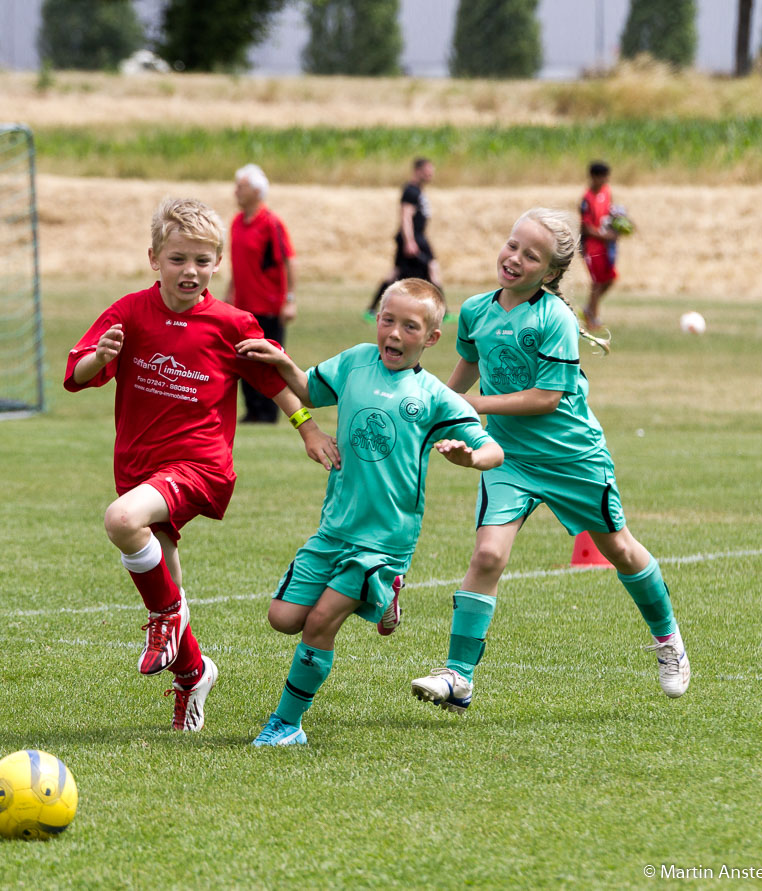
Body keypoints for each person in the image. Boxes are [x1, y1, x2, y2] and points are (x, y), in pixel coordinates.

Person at [64, 197, 337, 733]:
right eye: (178, 259)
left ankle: (165, 618)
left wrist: (307, 428)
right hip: (139, 465)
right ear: (154, 258)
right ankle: (193, 673)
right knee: (165, 575)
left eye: (202, 260)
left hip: (200, 466)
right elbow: (76, 375)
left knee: (122, 520)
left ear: (218, 263)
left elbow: (273, 383)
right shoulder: (128, 313)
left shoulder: (231, 323)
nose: (190, 270)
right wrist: (102, 356)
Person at [410, 208, 690, 715]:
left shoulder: (554, 318)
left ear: (551, 272)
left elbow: (546, 399)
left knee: (620, 549)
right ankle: (458, 676)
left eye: (531, 256)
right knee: (487, 557)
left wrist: (474, 406)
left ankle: (667, 637)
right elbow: (468, 366)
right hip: (510, 458)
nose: (514, 258)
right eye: (512, 245)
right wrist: (438, 412)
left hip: (572, 457)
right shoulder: (475, 310)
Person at [237, 278, 504, 746]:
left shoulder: (435, 396)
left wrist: (469, 457)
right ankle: (384, 599)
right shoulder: (356, 361)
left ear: (431, 338)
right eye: (387, 320)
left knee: (320, 622)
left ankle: (286, 724)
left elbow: (493, 450)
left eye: (410, 326)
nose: (394, 333)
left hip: (385, 540)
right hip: (334, 528)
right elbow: (308, 390)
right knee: (283, 618)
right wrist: (283, 362)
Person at [226, 163, 298, 424]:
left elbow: (289, 261)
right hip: (243, 307)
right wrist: (229, 294)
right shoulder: (236, 223)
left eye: (241, 186)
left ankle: (269, 413)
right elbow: (238, 264)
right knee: (244, 358)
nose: (236, 191)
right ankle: (253, 411)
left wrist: (290, 300)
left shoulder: (271, 223)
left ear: (257, 191)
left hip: (268, 306)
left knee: (268, 360)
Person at [366, 157, 443, 316]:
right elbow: (405, 217)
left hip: (418, 237)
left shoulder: (418, 191)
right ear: (417, 171)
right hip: (414, 238)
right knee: (428, 268)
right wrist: (410, 241)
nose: (431, 174)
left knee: (405, 271)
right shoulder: (410, 191)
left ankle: (372, 308)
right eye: (428, 171)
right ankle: (442, 310)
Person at [579, 160, 619, 329]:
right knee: (597, 282)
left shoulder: (606, 192)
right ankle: (592, 318)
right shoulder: (586, 199)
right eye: (602, 177)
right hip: (592, 247)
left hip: (606, 247)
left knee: (610, 279)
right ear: (594, 177)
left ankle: (589, 309)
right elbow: (586, 228)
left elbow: (610, 212)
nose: (605, 180)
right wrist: (606, 236)